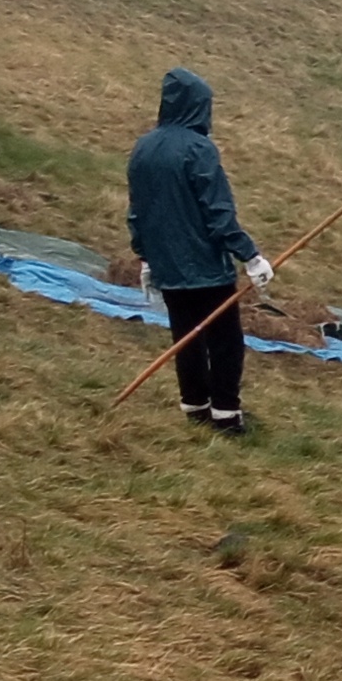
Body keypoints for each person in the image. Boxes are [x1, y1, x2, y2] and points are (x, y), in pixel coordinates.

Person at [124, 68, 269, 436]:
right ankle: (225, 414)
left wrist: (145, 257)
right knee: (225, 342)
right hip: (205, 266)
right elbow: (218, 213)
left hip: (166, 265)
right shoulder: (198, 149)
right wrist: (249, 255)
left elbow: (138, 210)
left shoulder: (143, 147)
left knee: (185, 335)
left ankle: (195, 406)